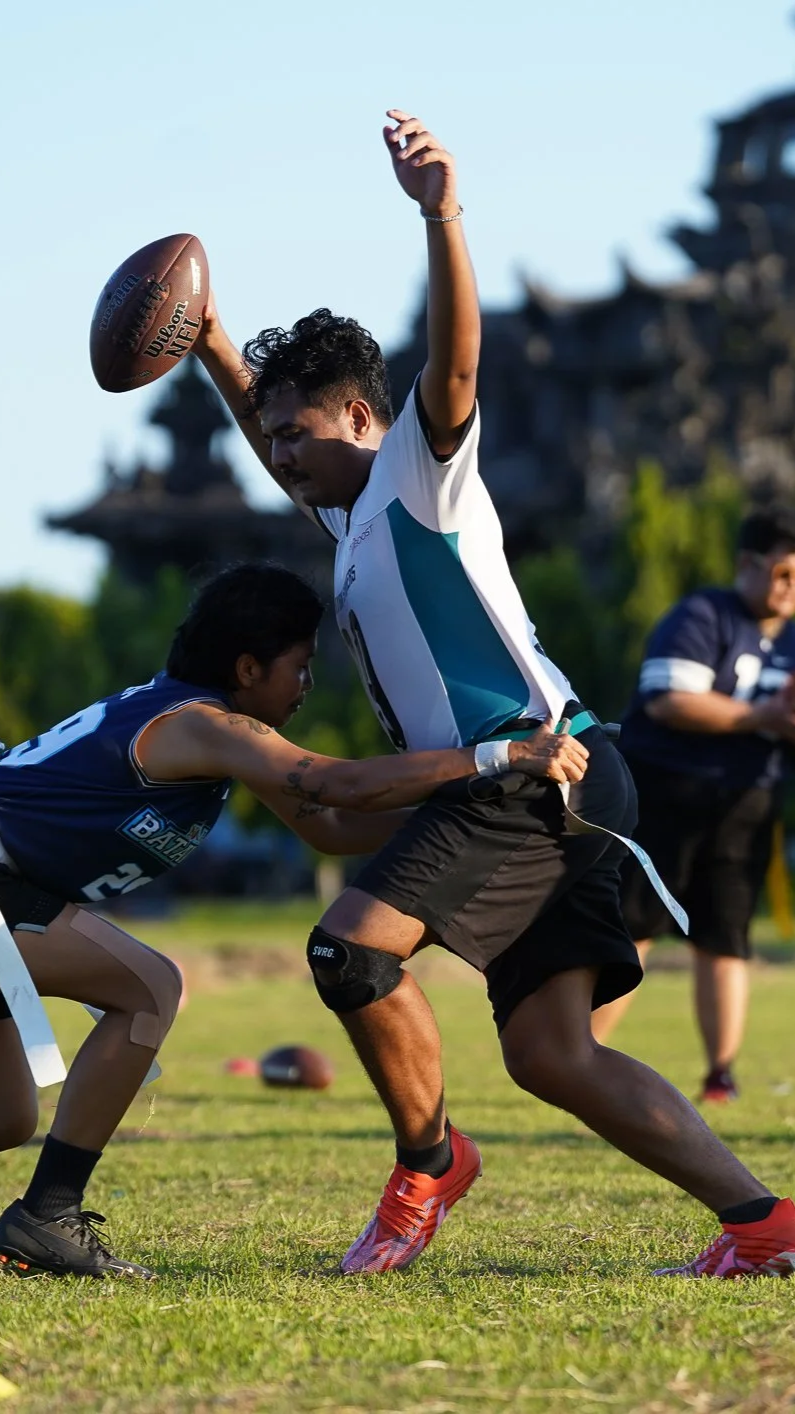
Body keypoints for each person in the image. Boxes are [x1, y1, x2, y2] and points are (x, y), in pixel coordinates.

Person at [193, 112, 795, 1279]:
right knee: (555, 1055)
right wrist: (216, 339)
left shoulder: (420, 469)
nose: (281, 455)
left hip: (525, 769)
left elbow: (456, 360)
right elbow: (267, 426)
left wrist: (440, 213)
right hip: (556, 768)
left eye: (298, 432)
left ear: (366, 417)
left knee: (350, 953)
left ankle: (430, 1161)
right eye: (272, 436)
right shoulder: (348, 508)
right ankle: (767, 1224)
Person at [0, 563, 585, 1281]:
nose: (307, 683)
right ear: (246, 670)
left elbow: (334, 825)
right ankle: (47, 1218)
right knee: (152, 986)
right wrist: (493, 753)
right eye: (299, 664)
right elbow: (331, 781)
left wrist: (478, 806)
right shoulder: (201, 723)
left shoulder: (206, 732)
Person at [591, 508, 795, 1102]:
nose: (790, 589)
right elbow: (670, 700)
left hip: (748, 800)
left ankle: (720, 1074)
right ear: (747, 566)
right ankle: (581, 1056)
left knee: (725, 935)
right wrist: (762, 717)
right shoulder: (703, 615)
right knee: (636, 925)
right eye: (783, 573)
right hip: (669, 791)